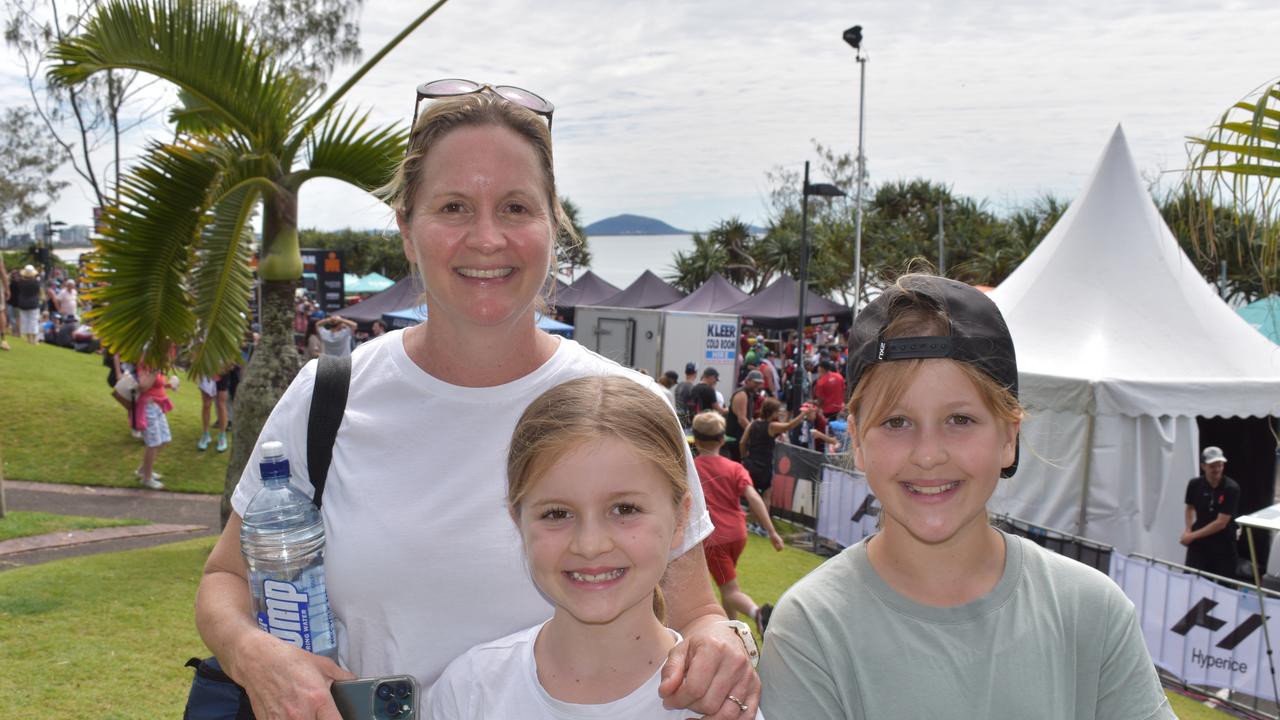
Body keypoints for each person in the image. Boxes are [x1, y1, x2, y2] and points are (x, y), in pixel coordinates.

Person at [195, 85, 758, 720]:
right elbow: (226, 579)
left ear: (553, 228)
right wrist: (255, 655)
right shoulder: (330, 395)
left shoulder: (627, 406)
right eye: (455, 206)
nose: (487, 238)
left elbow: (695, 612)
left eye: (516, 207)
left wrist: (721, 643)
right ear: (407, 230)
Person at [759, 274, 1173, 719]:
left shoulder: (1091, 611)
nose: (929, 455)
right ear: (857, 441)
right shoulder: (811, 629)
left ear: (1009, 437)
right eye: (896, 422)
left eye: (959, 419)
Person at [429, 377, 765, 719]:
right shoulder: (469, 692)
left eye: (625, 509)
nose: (590, 545)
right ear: (519, 522)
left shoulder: (717, 703)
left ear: (680, 519)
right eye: (557, 513)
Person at [691, 410, 784, 635]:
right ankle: (732, 633)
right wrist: (771, 531)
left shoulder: (691, 469)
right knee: (727, 587)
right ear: (722, 439)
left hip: (714, 538)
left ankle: (758, 615)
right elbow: (753, 498)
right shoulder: (735, 468)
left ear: (695, 438)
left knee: (730, 589)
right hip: (738, 534)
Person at [1181, 446, 1241, 579]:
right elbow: (1189, 507)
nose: (1217, 469)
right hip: (1199, 544)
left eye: (1220, 465)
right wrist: (1188, 529)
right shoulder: (1194, 484)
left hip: (1223, 544)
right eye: (1213, 466)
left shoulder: (1231, 488)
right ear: (1203, 466)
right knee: (1190, 580)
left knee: (1223, 586)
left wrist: (1192, 536)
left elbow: (1221, 523)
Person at [740, 398, 812, 507]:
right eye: (777, 410)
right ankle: (761, 522)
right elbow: (789, 426)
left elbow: (742, 442)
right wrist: (803, 414)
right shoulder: (771, 426)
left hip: (750, 464)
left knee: (752, 495)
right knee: (766, 495)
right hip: (764, 466)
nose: (779, 412)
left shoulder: (753, 424)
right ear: (772, 412)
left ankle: (753, 520)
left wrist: (744, 457)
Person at [134, 355, 179, 490]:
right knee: (153, 443)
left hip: (158, 406)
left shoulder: (155, 362)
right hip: (148, 406)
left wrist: (170, 385)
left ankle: (143, 470)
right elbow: (143, 386)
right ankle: (146, 479)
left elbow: (157, 384)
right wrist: (155, 370)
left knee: (165, 439)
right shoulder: (145, 361)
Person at [724, 370, 765, 462]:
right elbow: (742, 419)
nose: (758, 386)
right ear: (748, 381)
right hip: (735, 438)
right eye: (756, 383)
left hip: (740, 437)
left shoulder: (749, 394)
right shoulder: (742, 394)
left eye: (760, 383)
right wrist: (755, 433)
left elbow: (747, 416)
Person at [197, 369, 232, 453]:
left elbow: (231, 360)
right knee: (206, 404)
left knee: (221, 404)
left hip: (223, 371)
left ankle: (222, 436)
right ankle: (205, 435)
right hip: (206, 371)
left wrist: (221, 370)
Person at [12, 264, 43, 345]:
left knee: (25, 320)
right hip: (33, 303)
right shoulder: (36, 282)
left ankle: (28, 338)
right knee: (33, 320)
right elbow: (40, 292)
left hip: (22, 303)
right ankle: (34, 339)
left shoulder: (20, 283)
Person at [673, 362, 697, 427]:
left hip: (677, 417)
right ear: (695, 374)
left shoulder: (678, 386)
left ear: (685, 373)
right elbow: (692, 407)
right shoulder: (693, 388)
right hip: (686, 421)